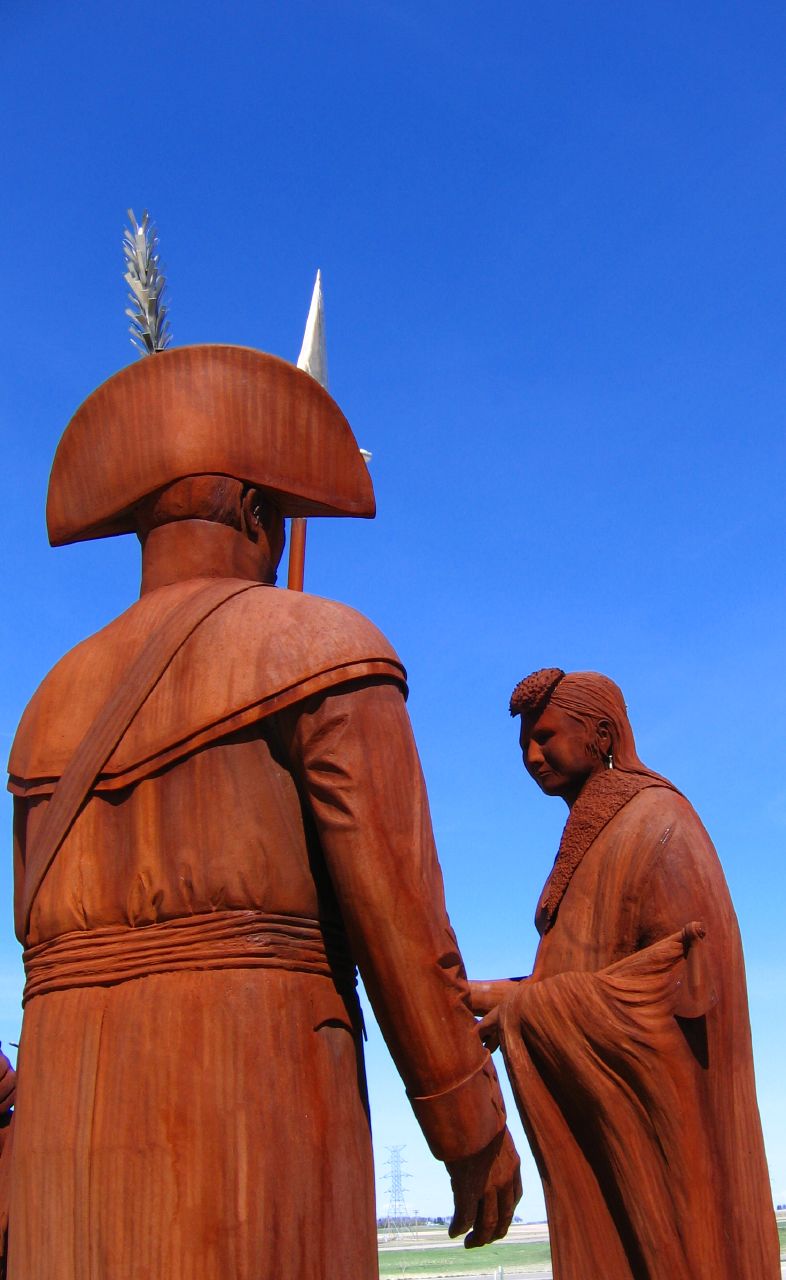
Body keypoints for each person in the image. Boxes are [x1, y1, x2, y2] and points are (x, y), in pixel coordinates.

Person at [6, 345, 521, 1280]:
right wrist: (469, 1123)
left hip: (67, 1158)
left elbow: (31, 939)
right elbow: (399, 919)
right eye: (278, 516)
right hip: (252, 1130)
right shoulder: (324, 647)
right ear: (252, 510)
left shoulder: (45, 706)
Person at [471, 667, 779, 1280]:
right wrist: (483, 995)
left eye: (547, 738)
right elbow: (585, 977)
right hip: (616, 1147)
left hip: (671, 1152)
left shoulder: (660, 825)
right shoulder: (598, 833)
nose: (532, 757)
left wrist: (530, 1013)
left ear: (603, 737)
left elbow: (684, 986)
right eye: (524, 746)